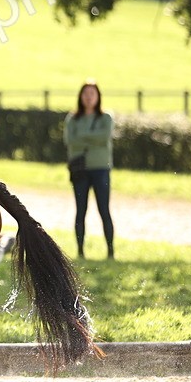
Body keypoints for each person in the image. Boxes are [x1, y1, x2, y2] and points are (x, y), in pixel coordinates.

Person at [64, 80, 115, 260]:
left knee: (104, 210)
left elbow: (104, 138)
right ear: (81, 96)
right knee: (80, 210)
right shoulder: (72, 119)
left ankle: (110, 251)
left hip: (101, 169)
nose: (89, 97)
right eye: (86, 93)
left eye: (92, 93)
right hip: (80, 170)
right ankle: (80, 251)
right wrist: (92, 139)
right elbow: (71, 141)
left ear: (98, 96)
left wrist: (82, 137)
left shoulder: (105, 118)